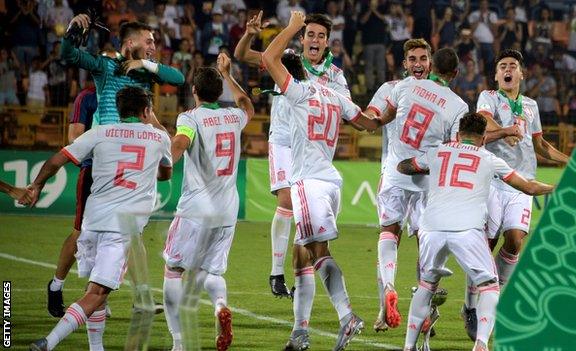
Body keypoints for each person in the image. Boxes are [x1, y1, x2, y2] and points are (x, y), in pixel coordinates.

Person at [261, 11, 380, 351]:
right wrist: (391, 110)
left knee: (318, 253)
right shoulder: (336, 94)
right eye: (307, 35)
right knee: (301, 257)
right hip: (329, 180)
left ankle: (347, 316)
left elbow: (268, 57)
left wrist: (292, 27)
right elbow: (368, 123)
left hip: (309, 182)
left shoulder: (297, 93)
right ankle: (299, 334)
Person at [27, 86, 172, 351]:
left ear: (119, 110)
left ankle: (97, 348)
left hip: (91, 225)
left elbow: (59, 159)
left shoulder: (99, 133)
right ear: (146, 110)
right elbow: (166, 175)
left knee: (96, 290)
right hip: (121, 229)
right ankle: (49, 342)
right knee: (96, 294)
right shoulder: (159, 138)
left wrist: (36, 185)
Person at [396, 112, 554, 351]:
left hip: (431, 228)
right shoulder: (490, 158)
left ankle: (408, 346)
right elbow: (529, 188)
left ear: (458, 135)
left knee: (427, 284)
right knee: (490, 286)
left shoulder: (438, 152)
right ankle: (481, 344)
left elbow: (405, 166)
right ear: (482, 138)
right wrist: (557, 187)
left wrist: (421, 169)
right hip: (466, 229)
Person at [234, 11, 351, 298]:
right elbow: (242, 55)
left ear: (327, 43)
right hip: (285, 139)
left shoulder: (335, 76)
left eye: (321, 36)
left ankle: (303, 275)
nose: (315, 39)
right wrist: (250, 33)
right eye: (310, 34)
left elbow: (346, 110)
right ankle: (276, 272)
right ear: (301, 37)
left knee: (307, 213)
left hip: (313, 148)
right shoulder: (286, 60)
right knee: (287, 200)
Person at [461, 49, 569, 340]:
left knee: (515, 241)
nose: (508, 70)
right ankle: (471, 306)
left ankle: (491, 294)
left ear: (521, 74)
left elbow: (541, 145)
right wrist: (506, 129)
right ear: (497, 75)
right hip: (493, 180)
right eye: (502, 66)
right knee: (487, 244)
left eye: (513, 66)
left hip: (523, 182)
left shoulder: (531, 105)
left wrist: (571, 161)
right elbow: (483, 121)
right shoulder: (489, 97)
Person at [374, 47, 476, 331]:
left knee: (388, 232)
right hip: (424, 180)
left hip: (395, 171)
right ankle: (425, 309)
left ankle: (389, 287)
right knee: (425, 243)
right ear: (454, 74)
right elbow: (454, 148)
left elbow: (384, 118)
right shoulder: (458, 106)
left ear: (431, 68)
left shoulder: (405, 86)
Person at [162, 52, 254, 351]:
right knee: (212, 272)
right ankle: (220, 307)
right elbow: (247, 105)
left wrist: (166, 164)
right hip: (227, 210)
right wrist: (228, 74)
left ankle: (177, 343)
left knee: (173, 271)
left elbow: (180, 141)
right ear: (220, 91)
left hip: (195, 210)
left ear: (194, 91)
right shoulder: (234, 116)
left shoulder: (189, 118)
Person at [363, 37, 433, 332]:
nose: (418, 64)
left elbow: (370, 118)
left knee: (392, 236)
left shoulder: (395, 90)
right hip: (411, 175)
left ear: (430, 62)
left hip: (403, 175)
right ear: (405, 64)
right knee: (424, 243)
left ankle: (386, 304)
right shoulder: (438, 95)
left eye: (422, 59)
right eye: (413, 59)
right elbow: (372, 113)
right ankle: (419, 315)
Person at [61, 15, 185, 126]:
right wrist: (71, 31)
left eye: (153, 43)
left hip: (136, 141)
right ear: (130, 43)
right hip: (108, 142)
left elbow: (179, 79)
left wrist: (143, 63)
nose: (153, 48)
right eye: (149, 42)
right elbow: (69, 55)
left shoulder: (147, 69)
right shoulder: (105, 65)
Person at [46, 77, 97, 318]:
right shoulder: (86, 97)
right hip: (92, 172)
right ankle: (56, 285)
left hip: (119, 174)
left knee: (118, 236)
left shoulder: (125, 93)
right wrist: (104, 143)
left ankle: (96, 296)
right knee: (79, 233)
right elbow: (74, 137)